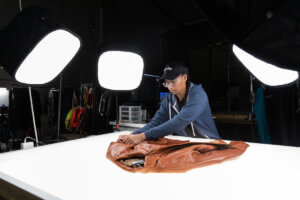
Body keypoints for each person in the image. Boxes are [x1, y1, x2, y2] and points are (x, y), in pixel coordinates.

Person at [118, 61, 220, 144]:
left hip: (209, 143)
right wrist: (134, 134)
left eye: (173, 82)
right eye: (167, 82)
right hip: (188, 144)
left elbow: (178, 122)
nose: (170, 86)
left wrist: (142, 136)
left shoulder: (198, 95)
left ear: (184, 77)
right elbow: (156, 122)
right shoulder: (169, 98)